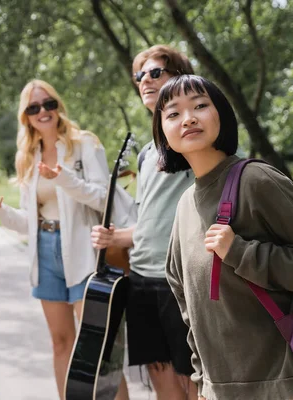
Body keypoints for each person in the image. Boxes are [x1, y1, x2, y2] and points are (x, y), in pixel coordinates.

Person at [155, 74, 293, 400]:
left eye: (200, 105)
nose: (189, 118)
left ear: (222, 117)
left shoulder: (257, 180)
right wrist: (203, 382)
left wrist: (239, 251)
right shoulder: (185, 204)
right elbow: (186, 303)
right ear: (164, 136)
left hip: (288, 388)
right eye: (173, 113)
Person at [0, 79, 129, 400]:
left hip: (84, 251)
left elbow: (105, 199)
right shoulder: (27, 156)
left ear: (58, 106)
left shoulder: (84, 144)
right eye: (34, 108)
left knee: (99, 347)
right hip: (46, 252)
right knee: (61, 344)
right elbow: (27, 222)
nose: (42, 111)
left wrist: (63, 178)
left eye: (48, 104)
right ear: (26, 117)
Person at [91, 45, 197, 400]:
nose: (145, 81)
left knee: (193, 380)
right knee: (159, 375)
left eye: (155, 73)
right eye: (140, 76)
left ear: (180, 79)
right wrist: (115, 238)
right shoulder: (147, 153)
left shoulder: (193, 140)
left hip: (179, 280)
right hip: (142, 279)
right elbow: (150, 224)